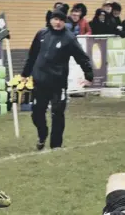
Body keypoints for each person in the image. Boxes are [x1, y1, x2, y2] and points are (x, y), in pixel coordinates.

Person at [21, 9, 93, 151]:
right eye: (55, 19)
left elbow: (82, 57)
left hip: (58, 83)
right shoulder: (41, 34)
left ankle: (56, 145)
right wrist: (24, 74)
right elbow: (32, 56)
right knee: (37, 113)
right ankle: (42, 134)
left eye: (61, 20)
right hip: (39, 82)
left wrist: (89, 75)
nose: (58, 22)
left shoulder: (69, 38)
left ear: (64, 22)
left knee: (57, 113)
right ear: (50, 20)